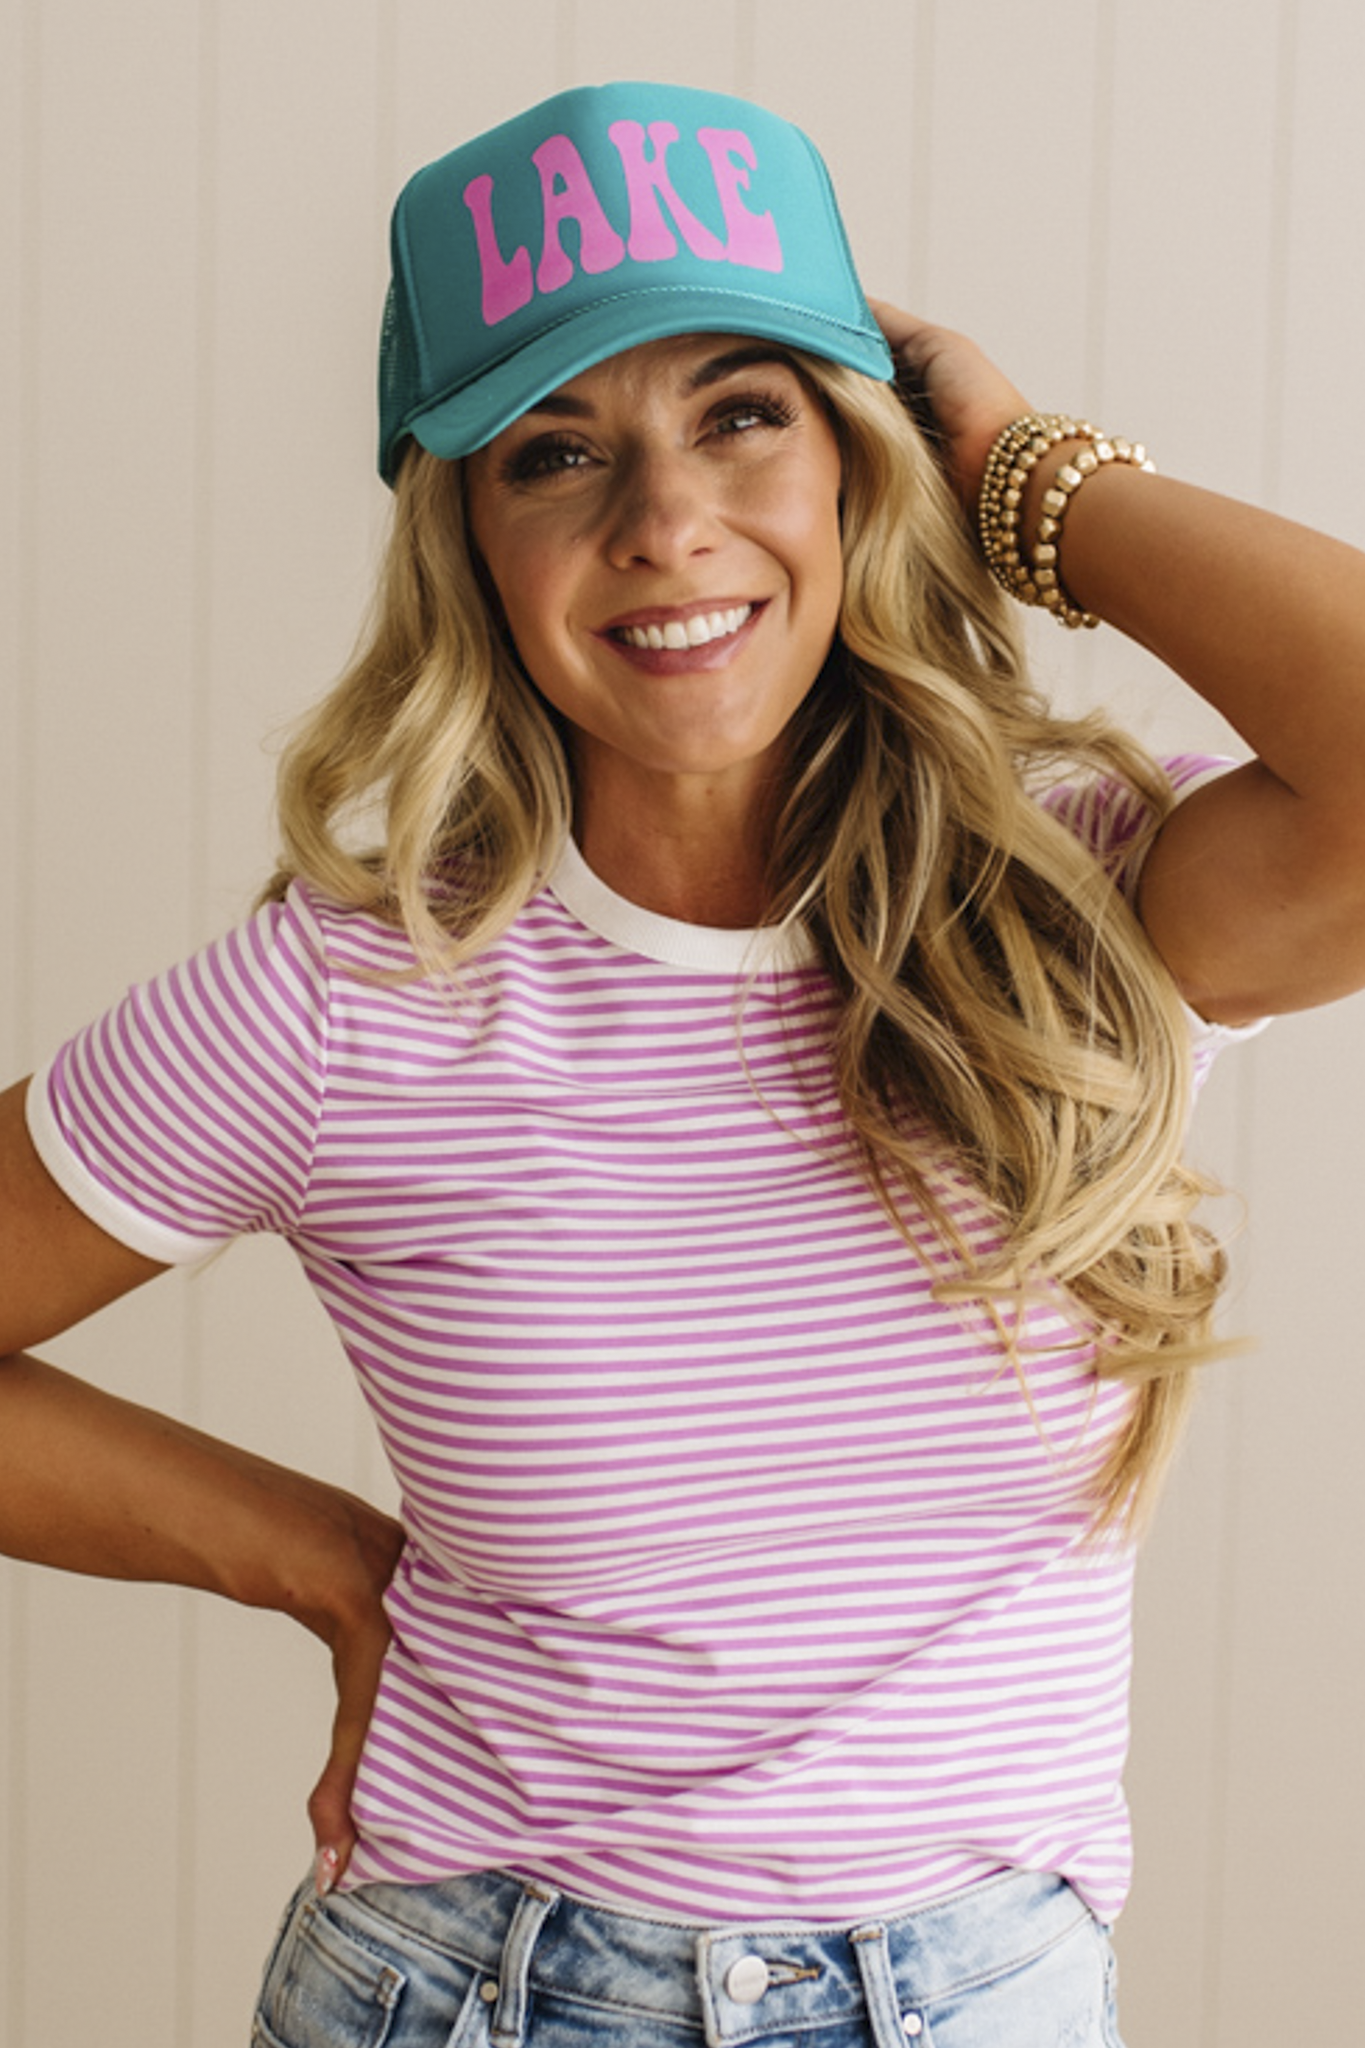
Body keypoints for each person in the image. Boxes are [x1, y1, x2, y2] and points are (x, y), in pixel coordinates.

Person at [3, 79, 1364, 2048]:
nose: (664, 525)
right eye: (554, 452)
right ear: (467, 533)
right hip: (487, 1991)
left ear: (852, 461)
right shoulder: (350, 1001)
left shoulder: (1081, 902)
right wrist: (324, 1564)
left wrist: (1021, 468)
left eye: (744, 411)